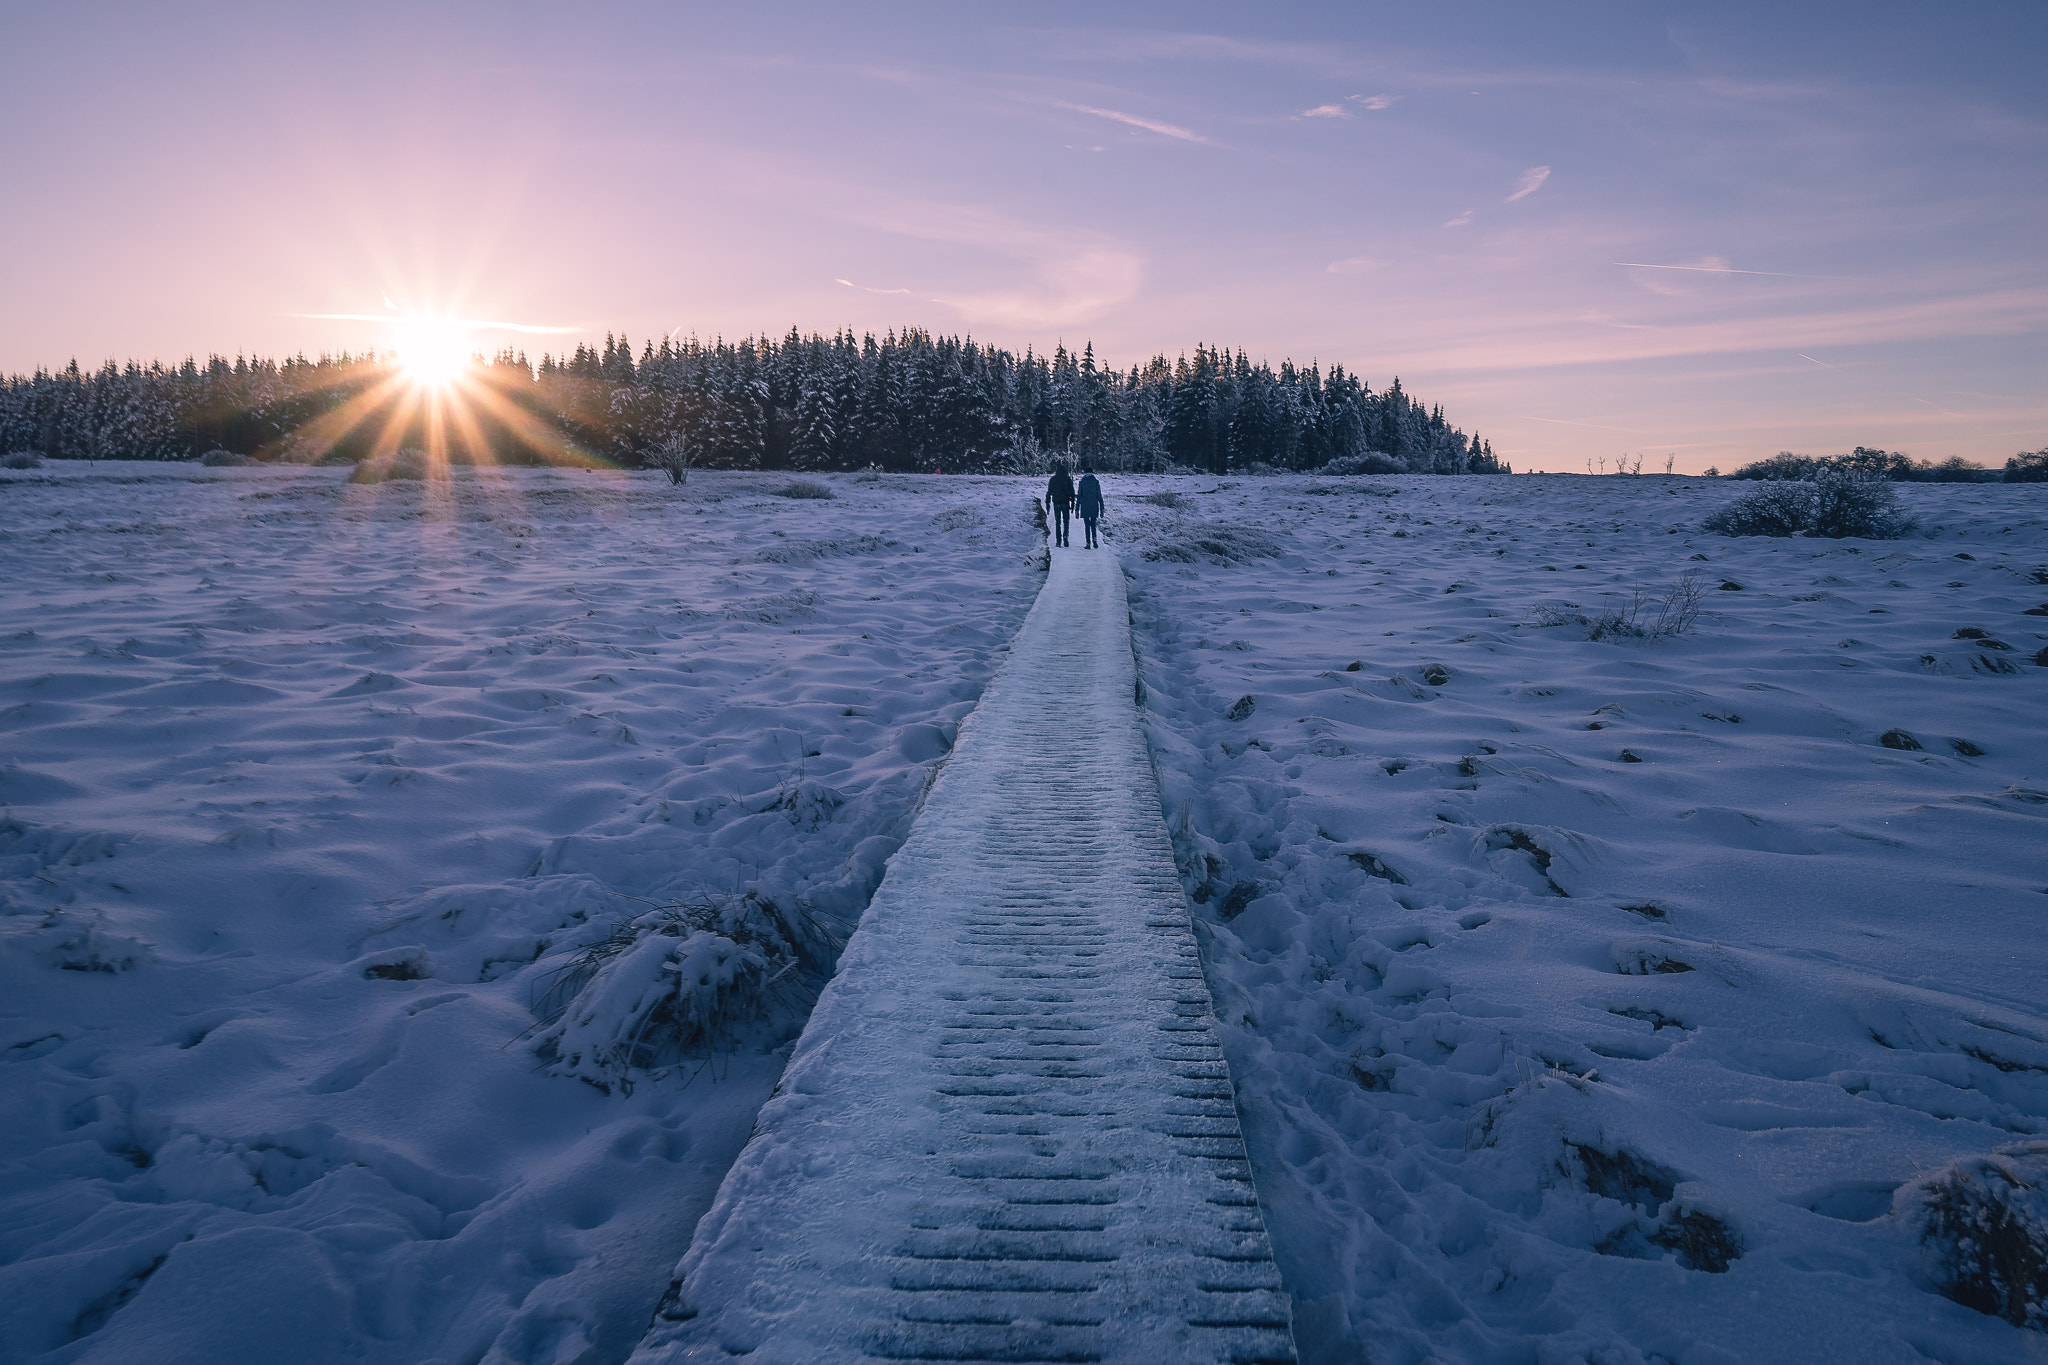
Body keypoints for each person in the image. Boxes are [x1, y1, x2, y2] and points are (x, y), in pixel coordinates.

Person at [1045, 463, 1075, 547]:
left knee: (1057, 522)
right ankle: (1065, 538)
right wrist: (1072, 504)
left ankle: (1058, 541)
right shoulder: (1068, 479)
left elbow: (1049, 492)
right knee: (1066, 522)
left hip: (1056, 502)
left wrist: (1047, 503)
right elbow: (1072, 492)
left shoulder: (1053, 479)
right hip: (1065, 503)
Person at [1077, 466, 1103, 548]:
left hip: (1085, 506)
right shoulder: (1096, 482)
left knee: (1087, 525)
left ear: (1085, 473)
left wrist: (1077, 509)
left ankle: (1088, 543)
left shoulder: (1082, 482)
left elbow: (1079, 496)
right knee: (1093, 525)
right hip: (1094, 506)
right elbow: (1099, 496)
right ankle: (1095, 541)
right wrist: (1102, 508)